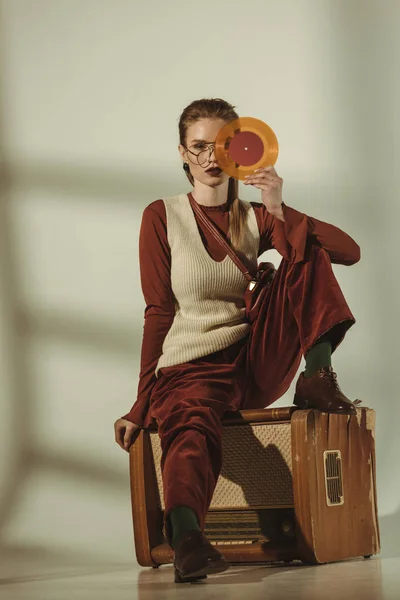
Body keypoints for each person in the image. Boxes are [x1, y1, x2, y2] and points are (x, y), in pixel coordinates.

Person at [114, 98, 360, 583]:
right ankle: (187, 537)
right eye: (198, 146)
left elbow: (347, 251)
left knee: (304, 249)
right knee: (187, 427)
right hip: (190, 368)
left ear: (239, 151)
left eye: (221, 145)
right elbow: (159, 311)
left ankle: (318, 376)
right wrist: (142, 404)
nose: (209, 157)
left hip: (251, 361)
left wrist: (277, 207)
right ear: (182, 154)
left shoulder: (256, 216)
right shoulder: (161, 216)